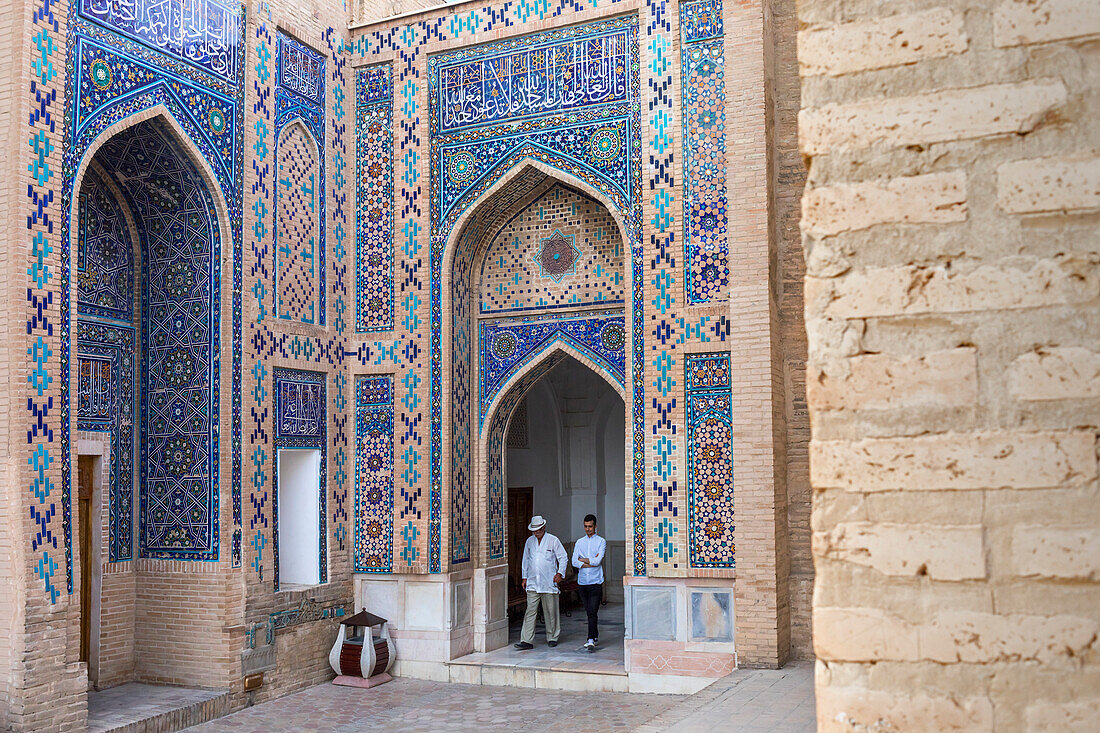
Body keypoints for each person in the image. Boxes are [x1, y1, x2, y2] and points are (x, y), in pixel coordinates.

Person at [514, 515, 568, 650]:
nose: (536, 532)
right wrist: (524, 577)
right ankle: (526, 640)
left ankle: (552, 637)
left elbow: (563, 557)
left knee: (551, 611)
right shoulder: (529, 541)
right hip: (533, 582)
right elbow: (525, 560)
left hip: (549, 582)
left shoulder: (553, 540)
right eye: (534, 530)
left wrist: (560, 573)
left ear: (543, 527)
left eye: (538, 529)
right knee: (530, 611)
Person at [571, 514, 606, 652]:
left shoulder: (601, 541)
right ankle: (595, 635)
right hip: (582, 582)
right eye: (585, 526)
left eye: (590, 526)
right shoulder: (579, 542)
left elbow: (598, 562)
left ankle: (590, 640)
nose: (588, 529)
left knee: (592, 611)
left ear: (595, 526)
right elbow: (574, 561)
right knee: (589, 611)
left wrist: (582, 560)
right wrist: (589, 561)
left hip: (595, 581)